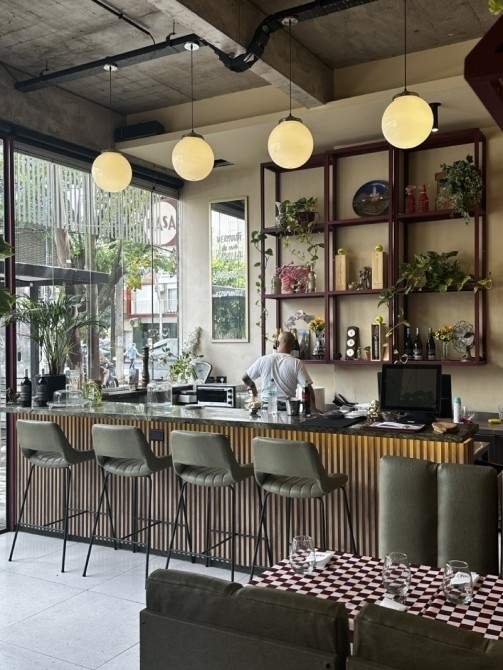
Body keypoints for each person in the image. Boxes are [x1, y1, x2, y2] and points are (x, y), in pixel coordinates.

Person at [242, 331, 319, 412]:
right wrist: (313, 407)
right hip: (287, 409)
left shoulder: (263, 360)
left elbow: (245, 378)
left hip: (266, 408)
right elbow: (307, 387)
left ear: (277, 343)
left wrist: (253, 387)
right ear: (293, 346)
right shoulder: (296, 363)